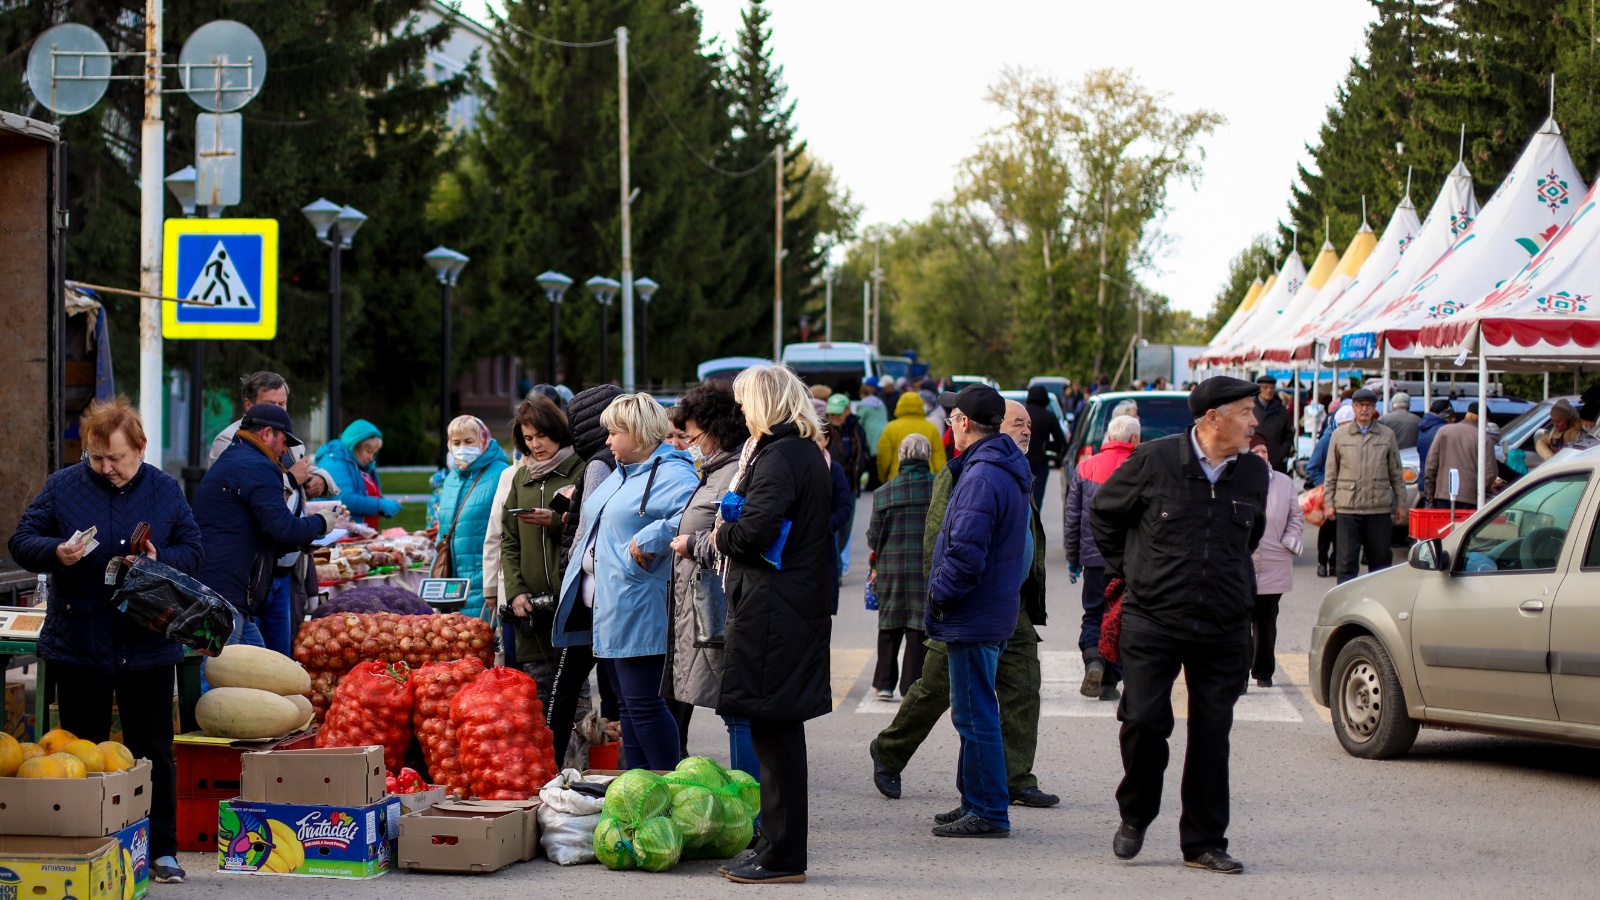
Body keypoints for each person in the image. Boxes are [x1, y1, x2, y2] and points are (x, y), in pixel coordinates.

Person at [9, 397, 202, 885]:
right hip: (79, 641)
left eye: (115, 458)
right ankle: (91, 846)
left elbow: (195, 551)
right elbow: (21, 540)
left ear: (138, 449)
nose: (105, 468)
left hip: (148, 642)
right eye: (96, 458)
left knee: (152, 749)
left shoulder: (164, 489)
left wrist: (163, 558)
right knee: (80, 752)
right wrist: (57, 551)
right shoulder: (63, 486)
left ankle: (161, 850)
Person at [1090, 375, 1269, 875]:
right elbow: (1104, 514)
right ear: (1213, 418)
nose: (1255, 421)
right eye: (1246, 412)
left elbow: (1249, 539)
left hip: (1224, 623)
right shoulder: (1154, 460)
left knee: (1213, 733)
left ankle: (1204, 841)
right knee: (1145, 721)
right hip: (1153, 618)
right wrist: (1133, 571)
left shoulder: (1253, 475)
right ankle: (1136, 814)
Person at [870, 399, 1057, 812]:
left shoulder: (1016, 472)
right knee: (938, 687)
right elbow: (936, 542)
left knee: (1023, 685)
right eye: (1018, 423)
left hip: (1012, 602)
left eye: (1029, 423)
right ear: (994, 426)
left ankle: (1015, 778)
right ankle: (889, 751)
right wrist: (939, 600)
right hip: (965, 603)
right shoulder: (965, 474)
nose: (1027, 430)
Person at [713, 365, 835, 884]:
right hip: (782, 607)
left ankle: (783, 855)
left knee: (776, 731)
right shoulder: (797, 450)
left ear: (765, 403)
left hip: (775, 611)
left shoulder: (781, 454)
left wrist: (723, 534)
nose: (741, 412)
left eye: (745, 403)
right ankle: (772, 844)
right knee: (772, 729)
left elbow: (756, 531)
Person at [553, 393, 697, 771]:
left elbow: (698, 517)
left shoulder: (673, 472)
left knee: (645, 704)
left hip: (639, 604)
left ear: (638, 433)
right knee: (631, 707)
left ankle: (668, 784)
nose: (608, 441)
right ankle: (639, 787)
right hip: (614, 606)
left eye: (615, 432)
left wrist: (650, 538)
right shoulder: (624, 470)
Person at [922, 385, 1031, 839]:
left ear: (965, 423)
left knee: (975, 713)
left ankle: (988, 809)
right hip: (989, 608)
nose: (949, 423)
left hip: (974, 611)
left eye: (952, 417)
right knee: (973, 710)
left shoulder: (984, 475)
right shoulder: (996, 465)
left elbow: (966, 554)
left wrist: (939, 596)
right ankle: (975, 800)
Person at [663, 383, 758, 776]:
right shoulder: (715, 471)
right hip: (706, 604)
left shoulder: (733, 473)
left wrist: (693, 544)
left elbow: (737, 535)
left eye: (693, 436)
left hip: (722, 603)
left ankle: (752, 803)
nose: (688, 444)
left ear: (716, 431)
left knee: (737, 707)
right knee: (731, 705)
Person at [208, 372, 333, 654]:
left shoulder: (281, 440)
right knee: (226, 667)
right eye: (271, 404)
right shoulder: (234, 447)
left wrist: (321, 480)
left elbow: (305, 470)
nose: (278, 411)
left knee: (272, 661)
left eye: (283, 404)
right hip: (242, 575)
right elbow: (274, 518)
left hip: (279, 569)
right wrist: (319, 522)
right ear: (249, 406)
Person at [546, 383, 626, 766]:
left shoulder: (597, 464)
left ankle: (548, 766)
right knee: (622, 690)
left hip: (590, 596)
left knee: (564, 688)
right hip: (614, 595)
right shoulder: (620, 461)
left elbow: (586, 533)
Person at [498, 397, 584, 714]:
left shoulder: (581, 469)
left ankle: (577, 763)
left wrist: (557, 522)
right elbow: (508, 539)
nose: (536, 445)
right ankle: (546, 763)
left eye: (541, 436)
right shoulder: (522, 477)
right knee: (535, 695)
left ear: (557, 431)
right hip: (530, 609)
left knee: (574, 695)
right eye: (528, 438)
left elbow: (589, 532)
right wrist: (516, 591)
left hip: (569, 601)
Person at [1063, 414, 1139, 701]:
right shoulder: (1141, 468)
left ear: (1108, 438)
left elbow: (1072, 519)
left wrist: (1073, 558)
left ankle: (1093, 659)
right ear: (1134, 440)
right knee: (1120, 617)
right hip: (1130, 561)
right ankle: (1110, 681)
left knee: (1094, 613)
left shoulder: (1085, 467)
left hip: (1094, 559)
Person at [867, 434, 935, 701]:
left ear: (902, 457)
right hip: (925, 569)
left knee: (889, 625)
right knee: (918, 627)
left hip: (891, 567)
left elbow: (874, 536)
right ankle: (910, 685)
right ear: (927, 457)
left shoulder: (884, 492)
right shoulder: (940, 487)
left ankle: (884, 685)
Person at [1323, 388, 1406, 584]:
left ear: (1374, 408)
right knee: (1346, 562)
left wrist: (1401, 504)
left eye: (1368, 405)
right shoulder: (1339, 435)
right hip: (1348, 507)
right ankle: (1344, 606)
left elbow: (1396, 472)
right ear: (1353, 408)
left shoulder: (1387, 435)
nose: (1364, 409)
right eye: (1360, 405)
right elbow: (1331, 472)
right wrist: (1328, 502)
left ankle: (1378, 604)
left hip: (1378, 508)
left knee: (1381, 562)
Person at [433, 415, 510, 621]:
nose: (462, 448)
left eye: (468, 441)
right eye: (456, 442)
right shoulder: (451, 478)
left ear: (482, 440)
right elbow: (442, 534)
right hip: (452, 583)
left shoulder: (501, 474)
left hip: (484, 582)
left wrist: (493, 584)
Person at [1247, 434, 1302, 690]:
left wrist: (1289, 540)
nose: (1260, 456)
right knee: (1238, 621)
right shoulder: (1236, 479)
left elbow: (1296, 516)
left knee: (1266, 622)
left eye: (1263, 451)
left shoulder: (1284, 482)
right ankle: (1238, 674)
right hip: (1241, 563)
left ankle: (1262, 672)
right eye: (1254, 452)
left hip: (1274, 561)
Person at [315, 419, 401, 529]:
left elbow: (368, 495)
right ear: (355, 446)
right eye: (368, 452)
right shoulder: (334, 461)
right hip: (337, 533)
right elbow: (344, 499)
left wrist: (383, 507)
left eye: (374, 453)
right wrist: (380, 505)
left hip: (360, 534)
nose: (371, 458)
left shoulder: (363, 465)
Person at [1305, 403, 1354, 578]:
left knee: (1341, 533)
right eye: (1345, 424)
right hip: (1329, 492)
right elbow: (1312, 468)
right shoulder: (1326, 441)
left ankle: (1334, 562)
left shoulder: (1353, 441)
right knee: (1327, 530)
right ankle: (1322, 562)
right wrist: (1326, 485)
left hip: (1347, 493)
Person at [825, 392, 871, 572]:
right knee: (832, 525)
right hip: (829, 484)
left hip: (850, 484)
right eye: (831, 414)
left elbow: (864, 450)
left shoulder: (856, 428)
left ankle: (836, 563)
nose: (834, 417)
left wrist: (863, 469)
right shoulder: (824, 427)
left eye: (837, 413)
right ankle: (834, 567)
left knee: (846, 526)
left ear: (846, 411)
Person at [1423, 400, 1495, 510]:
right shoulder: (1485, 439)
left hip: (1443, 494)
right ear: (1484, 419)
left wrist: (1430, 492)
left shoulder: (1444, 431)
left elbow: (1431, 465)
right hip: (1470, 498)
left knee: (1444, 527)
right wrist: (1481, 491)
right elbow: (1490, 472)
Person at [878, 390, 946, 483]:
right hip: (927, 480)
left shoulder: (891, 428)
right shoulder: (931, 428)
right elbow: (939, 458)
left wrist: (884, 479)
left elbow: (883, 459)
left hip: (897, 479)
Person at [1023, 385, 1068, 511]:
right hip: (1040, 462)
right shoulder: (1048, 417)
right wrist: (1056, 456)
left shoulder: (1023, 414)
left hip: (1020, 459)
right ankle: (1033, 525)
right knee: (1036, 499)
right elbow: (1060, 441)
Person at [1416, 399, 1456, 500]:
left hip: (1424, 482)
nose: (1453, 421)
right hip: (1438, 486)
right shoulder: (1444, 431)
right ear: (1446, 415)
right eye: (1452, 418)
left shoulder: (1424, 429)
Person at [1253, 376, 1294, 472]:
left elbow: (1288, 434)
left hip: (1276, 463)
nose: (1269, 391)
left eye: (1272, 388)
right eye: (1265, 387)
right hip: (1253, 461)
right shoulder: (1251, 408)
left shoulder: (1281, 410)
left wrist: (1281, 453)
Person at [857, 377, 890, 487]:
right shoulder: (880, 402)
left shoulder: (863, 405)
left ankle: (872, 483)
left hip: (870, 433)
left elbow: (859, 420)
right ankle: (879, 481)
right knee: (879, 458)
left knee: (871, 459)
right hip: (883, 430)